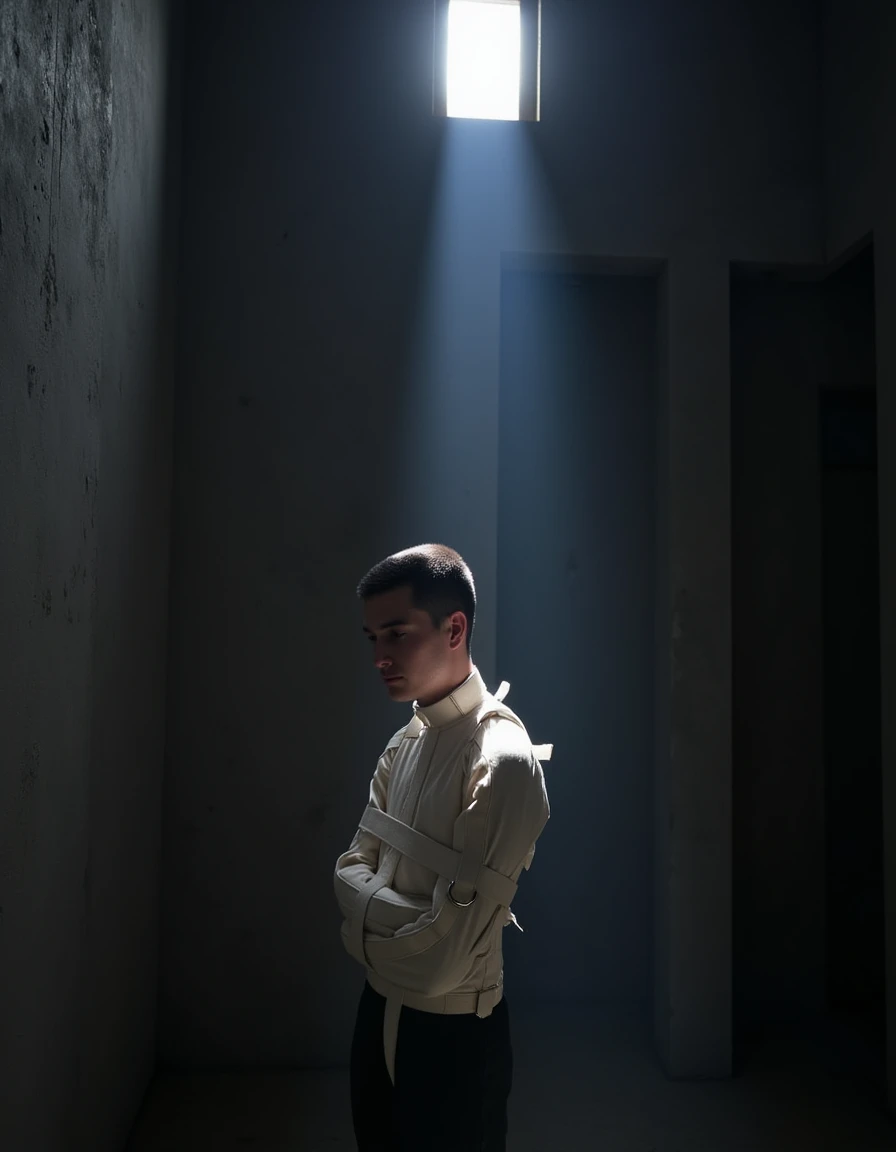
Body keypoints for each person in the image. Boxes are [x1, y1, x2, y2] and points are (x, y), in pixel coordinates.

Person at [334, 543, 551, 1151]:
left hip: (456, 1038)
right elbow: (346, 868)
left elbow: (442, 964)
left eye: (396, 634)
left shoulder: (501, 761)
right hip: (375, 1016)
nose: (379, 657)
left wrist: (366, 928)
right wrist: (399, 931)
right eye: (372, 637)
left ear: (454, 627)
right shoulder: (403, 743)